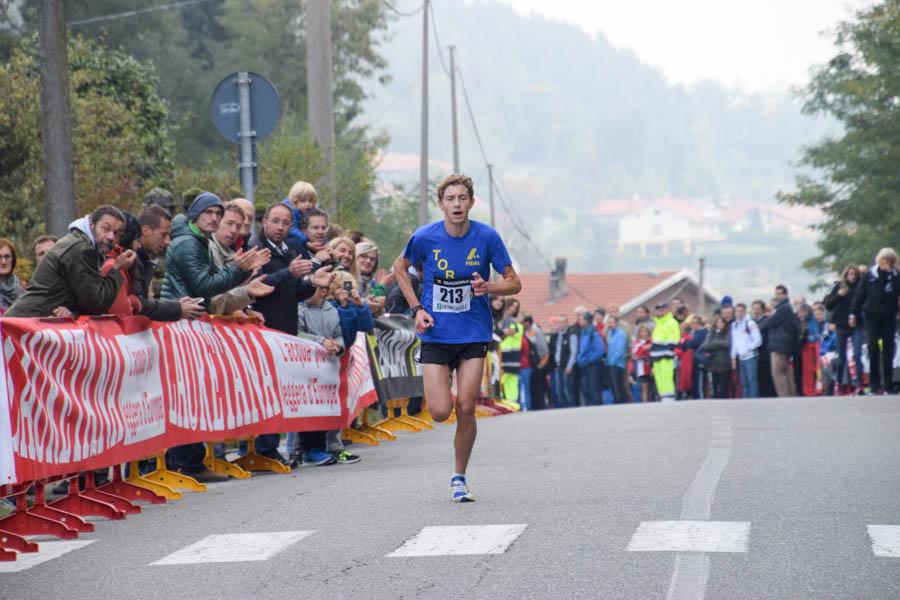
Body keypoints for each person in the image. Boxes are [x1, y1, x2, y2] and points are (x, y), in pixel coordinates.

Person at [393, 173, 520, 503]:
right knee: (438, 411)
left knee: (466, 407)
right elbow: (399, 267)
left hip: (473, 331)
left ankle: (459, 476)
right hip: (436, 332)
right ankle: (443, 389)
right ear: (441, 204)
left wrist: (488, 287)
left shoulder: (487, 237)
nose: (457, 204)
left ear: (471, 203)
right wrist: (417, 308)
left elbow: (513, 282)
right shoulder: (424, 237)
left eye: (462, 198)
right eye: (450, 199)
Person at [250, 202, 334, 462]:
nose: (280, 227)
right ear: (264, 221)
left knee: (279, 390)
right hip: (263, 328)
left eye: (286, 223)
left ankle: (273, 447)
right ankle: (261, 449)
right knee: (263, 389)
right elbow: (259, 285)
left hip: (286, 329)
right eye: (275, 221)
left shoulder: (292, 248)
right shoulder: (256, 248)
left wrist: (312, 283)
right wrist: (290, 272)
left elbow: (295, 291)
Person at [6, 206, 135, 318]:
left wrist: (72, 313)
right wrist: (116, 269)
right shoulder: (81, 249)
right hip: (23, 327)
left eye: (117, 233)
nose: (111, 237)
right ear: (91, 224)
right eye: (106, 229)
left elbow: (81, 300)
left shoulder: (85, 246)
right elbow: (95, 304)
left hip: (29, 325)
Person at [161, 192, 267, 307]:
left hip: (187, 314)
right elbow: (205, 288)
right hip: (179, 317)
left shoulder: (200, 240)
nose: (214, 218)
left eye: (218, 214)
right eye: (208, 212)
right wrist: (238, 269)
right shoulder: (188, 243)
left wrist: (243, 274)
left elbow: (214, 287)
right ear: (196, 213)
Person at [290, 280, 354, 466]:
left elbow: (338, 333)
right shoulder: (300, 309)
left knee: (324, 406)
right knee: (307, 408)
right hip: (304, 367)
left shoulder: (331, 310)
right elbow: (295, 333)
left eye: (320, 290)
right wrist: (320, 341)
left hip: (327, 366)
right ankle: (304, 450)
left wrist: (338, 345)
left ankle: (321, 447)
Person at [132, 206, 203, 322]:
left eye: (169, 236)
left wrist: (177, 304)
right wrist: (177, 308)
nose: (167, 242)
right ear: (145, 230)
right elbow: (139, 305)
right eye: (163, 235)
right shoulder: (130, 259)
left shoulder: (145, 259)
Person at [208, 202, 273, 316]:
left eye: (238, 226)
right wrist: (246, 290)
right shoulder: (205, 250)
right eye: (229, 223)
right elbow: (213, 302)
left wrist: (246, 309)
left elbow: (228, 298)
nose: (233, 230)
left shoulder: (232, 254)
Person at [850, 247, 899, 394]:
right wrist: (852, 313)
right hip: (871, 316)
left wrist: (891, 275)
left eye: (890, 261)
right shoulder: (869, 275)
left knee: (888, 350)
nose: (887, 263)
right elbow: (859, 295)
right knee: (873, 349)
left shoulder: (896, 275)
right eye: (885, 260)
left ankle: (888, 385)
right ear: (880, 260)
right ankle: (874, 385)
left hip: (889, 317)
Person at [823, 264, 865, 395]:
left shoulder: (861, 287)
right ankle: (841, 383)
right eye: (850, 274)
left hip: (857, 324)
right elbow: (828, 304)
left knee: (857, 354)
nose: (852, 276)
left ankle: (859, 383)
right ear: (846, 275)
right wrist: (839, 295)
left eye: (855, 274)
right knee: (841, 357)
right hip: (841, 325)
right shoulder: (840, 287)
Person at [759, 285, 799, 397]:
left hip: (780, 344)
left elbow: (771, 322)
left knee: (777, 372)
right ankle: (791, 395)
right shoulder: (785, 307)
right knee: (785, 371)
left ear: (786, 294)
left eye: (780, 293)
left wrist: (765, 320)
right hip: (783, 343)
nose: (777, 296)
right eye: (776, 294)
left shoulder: (783, 308)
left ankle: (784, 396)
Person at [731, 303, 762, 398]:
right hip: (740, 358)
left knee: (752, 380)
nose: (739, 313)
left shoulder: (750, 323)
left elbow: (758, 340)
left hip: (750, 356)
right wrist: (733, 357)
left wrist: (748, 348)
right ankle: (746, 402)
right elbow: (734, 342)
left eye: (741, 311)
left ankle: (754, 400)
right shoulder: (734, 325)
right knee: (744, 383)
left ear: (745, 311)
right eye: (737, 311)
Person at [651, 302, 680, 402]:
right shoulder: (656, 323)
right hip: (655, 356)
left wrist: (668, 348)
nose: (661, 311)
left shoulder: (672, 322)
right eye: (659, 309)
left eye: (663, 309)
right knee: (659, 378)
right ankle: (664, 397)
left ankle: (669, 398)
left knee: (667, 376)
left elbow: (674, 339)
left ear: (668, 309)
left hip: (666, 355)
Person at [576, 311, 605, 406]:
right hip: (584, 365)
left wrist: (589, 359)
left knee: (594, 388)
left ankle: (597, 408)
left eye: (582, 319)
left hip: (593, 365)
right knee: (586, 388)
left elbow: (600, 350)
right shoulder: (584, 332)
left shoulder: (594, 333)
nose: (580, 321)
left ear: (587, 321)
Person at [497, 298, 523, 405]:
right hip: (501, 355)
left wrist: (503, 331)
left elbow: (511, 332)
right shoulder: (499, 321)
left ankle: (512, 403)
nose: (513, 309)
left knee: (512, 380)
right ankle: (502, 401)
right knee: (500, 379)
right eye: (511, 306)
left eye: (515, 307)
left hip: (512, 357)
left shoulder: (517, 324)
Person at [550, 315, 578, 408]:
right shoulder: (556, 335)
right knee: (559, 391)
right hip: (558, 366)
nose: (561, 324)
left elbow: (573, 351)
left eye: (563, 322)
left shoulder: (571, 334)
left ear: (567, 323)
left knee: (568, 390)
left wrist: (570, 365)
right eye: (559, 322)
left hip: (567, 367)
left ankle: (572, 409)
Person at [282, 180, 319, 252]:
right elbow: (292, 230)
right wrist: (307, 240)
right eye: (303, 201)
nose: (307, 204)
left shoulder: (310, 212)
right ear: (295, 202)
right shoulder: (290, 212)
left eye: (310, 201)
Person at [523, 316, 549, 410]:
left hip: (538, 364)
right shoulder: (522, 333)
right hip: (528, 365)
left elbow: (544, 350)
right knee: (531, 388)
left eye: (525, 322)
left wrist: (540, 365)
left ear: (529, 323)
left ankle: (540, 408)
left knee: (538, 389)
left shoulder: (536, 332)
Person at [751, 300, 776, 397]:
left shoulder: (767, 320)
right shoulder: (751, 321)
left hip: (765, 352)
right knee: (758, 377)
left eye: (758, 309)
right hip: (755, 354)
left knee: (766, 376)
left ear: (762, 310)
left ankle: (768, 395)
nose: (756, 311)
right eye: (754, 309)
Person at [703, 316, 732, 398]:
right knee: (714, 387)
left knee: (723, 387)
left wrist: (714, 342)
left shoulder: (728, 332)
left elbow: (727, 344)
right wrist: (718, 344)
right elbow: (706, 345)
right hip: (713, 363)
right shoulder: (712, 332)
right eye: (718, 322)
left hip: (724, 363)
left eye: (722, 322)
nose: (720, 324)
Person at [605, 315, 629, 403]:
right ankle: (616, 400)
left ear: (616, 323)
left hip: (617, 364)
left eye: (612, 322)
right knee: (613, 385)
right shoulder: (609, 333)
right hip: (610, 364)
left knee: (618, 385)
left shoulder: (621, 334)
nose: (610, 324)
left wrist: (612, 362)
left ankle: (620, 402)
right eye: (609, 323)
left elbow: (620, 350)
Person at [0, 238, 25, 313]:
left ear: (13, 260)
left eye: (7, 257)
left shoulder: (22, 289)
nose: (3, 262)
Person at [631, 324, 653, 402]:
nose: (643, 333)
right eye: (641, 332)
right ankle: (645, 404)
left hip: (652, 368)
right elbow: (636, 354)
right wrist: (645, 349)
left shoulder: (652, 341)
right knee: (644, 388)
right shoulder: (637, 343)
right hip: (642, 369)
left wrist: (645, 349)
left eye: (645, 331)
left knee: (653, 388)